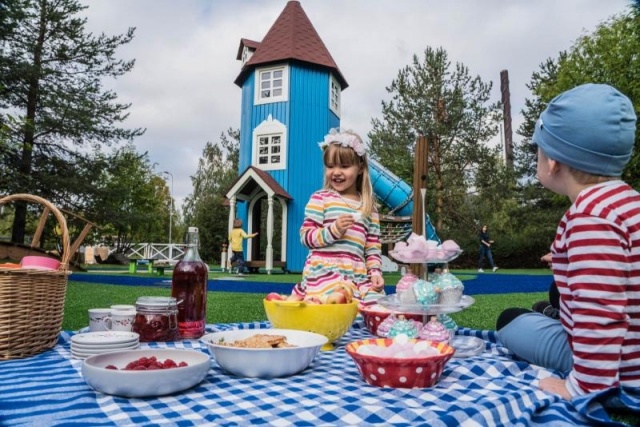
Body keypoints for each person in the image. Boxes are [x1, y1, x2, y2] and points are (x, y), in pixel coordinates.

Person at [496, 83, 640, 403]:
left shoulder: (592, 216)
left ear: (553, 162)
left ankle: (559, 330)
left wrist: (581, 389)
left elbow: (600, 312)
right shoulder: (626, 205)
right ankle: (553, 313)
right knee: (554, 294)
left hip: (621, 379)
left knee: (509, 321)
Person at [291, 128, 385, 303]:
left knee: (378, 306)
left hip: (357, 275)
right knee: (332, 305)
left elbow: (372, 248)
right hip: (323, 273)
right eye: (330, 166)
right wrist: (333, 230)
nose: (336, 172)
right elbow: (306, 237)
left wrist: (375, 273)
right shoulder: (321, 198)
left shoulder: (369, 207)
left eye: (344, 166)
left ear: (360, 168)